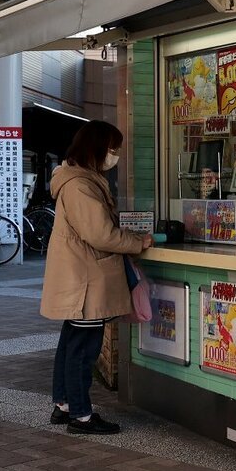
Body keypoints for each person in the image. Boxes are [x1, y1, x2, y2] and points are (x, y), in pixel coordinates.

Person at [40, 119, 152, 434]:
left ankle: (64, 405)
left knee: (71, 344)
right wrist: (137, 242)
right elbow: (100, 234)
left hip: (80, 277)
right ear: (97, 148)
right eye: (112, 149)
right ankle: (82, 416)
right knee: (83, 350)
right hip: (86, 281)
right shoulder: (80, 186)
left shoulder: (77, 179)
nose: (115, 155)